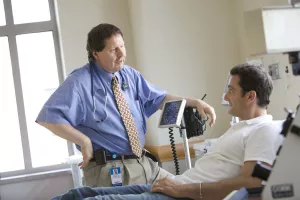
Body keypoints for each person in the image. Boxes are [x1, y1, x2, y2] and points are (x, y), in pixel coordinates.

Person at [51, 63, 283, 200]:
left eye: (231, 91)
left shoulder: (265, 130)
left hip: (183, 194)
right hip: (178, 186)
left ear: (250, 96)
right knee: (79, 194)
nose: (225, 97)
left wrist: (182, 190)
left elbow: (251, 183)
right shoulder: (240, 128)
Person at [36, 23, 216, 187]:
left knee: (187, 189)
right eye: (114, 49)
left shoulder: (129, 75)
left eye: (122, 46)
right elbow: (49, 118)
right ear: (95, 53)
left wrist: (195, 102)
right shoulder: (80, 82)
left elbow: (159, 98)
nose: (122, 54)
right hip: (111, 170)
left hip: (144, 163)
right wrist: (84, 141)